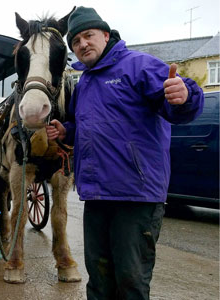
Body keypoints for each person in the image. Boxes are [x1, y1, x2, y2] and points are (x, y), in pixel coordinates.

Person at [46, 6, 204, 300]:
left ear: (106, 35)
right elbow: (89, 128)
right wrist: (67, 131)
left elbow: (181, 101)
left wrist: (184, 97)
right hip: (96, 195)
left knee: (131, 281)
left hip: (136, 195)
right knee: (99, 280)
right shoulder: (85, 83)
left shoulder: (139, 66)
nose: (82, 44)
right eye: (76, 41)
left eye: (88, 36)